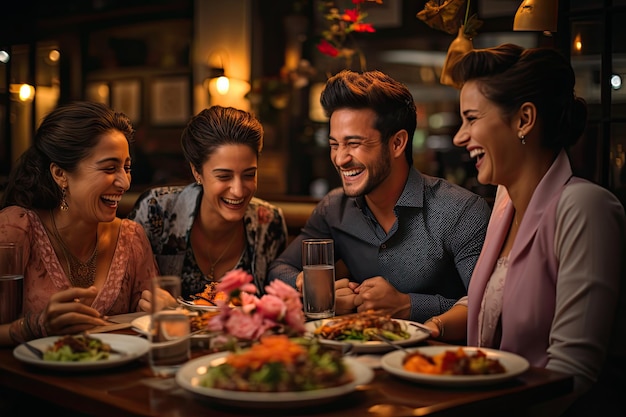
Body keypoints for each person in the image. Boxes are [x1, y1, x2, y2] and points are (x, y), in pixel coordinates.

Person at [426, 44, 626, 415]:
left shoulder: (585, 208)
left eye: (471, 119)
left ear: (524, 120)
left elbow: (573, 372)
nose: (459, 137)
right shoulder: (504, 202)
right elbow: (493, 299)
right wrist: (428, 329)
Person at [267, 70, 492, 323]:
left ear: (397, 143)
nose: (340, 159)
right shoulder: (334, 208)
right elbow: (278, 270)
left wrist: (409, 305)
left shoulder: (460, 211)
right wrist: (313, 288)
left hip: (439, 357)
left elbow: (488, 307)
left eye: (354, 144)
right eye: (334, 144)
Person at [0, 101, 159, 346]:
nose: (125, 182)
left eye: (126, 168)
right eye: (109, 168)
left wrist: (166, 311)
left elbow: (151, 326)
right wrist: (33, 327)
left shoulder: (131, 237)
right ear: (60, 174)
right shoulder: (16, 229)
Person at [128, 106, 288, 298]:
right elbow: (129, 293)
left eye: (249, 175)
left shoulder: (269, 222)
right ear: (197, 172)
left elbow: (277, 302)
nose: (238, 190)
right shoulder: (156, 209)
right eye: (223, 176)